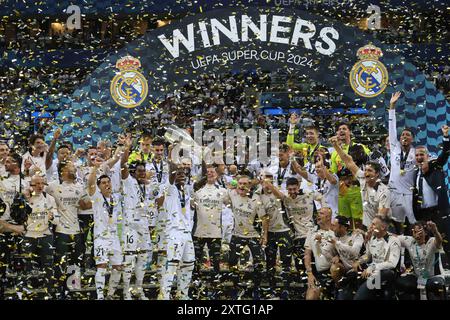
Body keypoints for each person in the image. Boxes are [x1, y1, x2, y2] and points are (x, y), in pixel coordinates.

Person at [120, 135, 159, 300]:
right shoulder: (128, 181)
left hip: (143, 225)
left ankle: (139, 287)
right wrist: (127, 148)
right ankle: (126, 290)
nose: (143, 173)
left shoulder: (148, 187)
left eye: (144, 171)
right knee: (129, 257)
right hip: (130, 225)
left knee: (144, 256)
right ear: (134, 172)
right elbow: (123, 166)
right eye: (140, 171)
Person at [263, 176, 321, 283]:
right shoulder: (287, 199)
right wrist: (267, 183)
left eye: (295, 189)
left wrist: (322, 215)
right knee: (301, 268)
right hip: (297, 237)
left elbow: (322, 197)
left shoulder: (309, 194)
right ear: (287, 189)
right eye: (290, 189)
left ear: (299, 187)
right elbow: (277, 193)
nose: (292, 192)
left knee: (314, 266)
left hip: (311, 235)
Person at [46, 160, 90, 298]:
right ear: (63, 170)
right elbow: (40, 194)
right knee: (62, 262)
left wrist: (96, 196)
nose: (74, 169)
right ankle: (61, 290)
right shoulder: (53, 186)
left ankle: (74, 288)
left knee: (76, 261)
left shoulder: (80, 186)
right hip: (61, 231)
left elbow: (84, 206)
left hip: (76, 230)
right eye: (71, 167)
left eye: (74, 167)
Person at [329, 136, 391, 229]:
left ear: (377, 174)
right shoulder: (362, 178)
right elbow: (348, 161)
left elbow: (382, 215)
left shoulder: (383, 191)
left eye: (370, 171)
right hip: (367, 226)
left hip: (380, 228)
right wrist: (336, 146)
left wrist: (372, 230)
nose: (366, 173)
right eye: (365, 170)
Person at [223, 175, 268, 300]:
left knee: (259, 263)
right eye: (240, 184)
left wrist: (264, 235)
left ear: (250, 186)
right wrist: (232, 185)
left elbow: (264, 218)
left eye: (245, 184)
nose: (242, 186)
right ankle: (235, 288)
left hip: (253, 235)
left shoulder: (255, 199)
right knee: (232, 262)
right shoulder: (232, 194)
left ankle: (256, 289)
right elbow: (225, 193)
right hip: (237, 234)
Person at [156, 160, 195, 300]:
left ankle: (182, 295)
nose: (182, 176)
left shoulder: (186, 191)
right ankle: (164, 296)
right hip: (175, 232)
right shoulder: (169, 188)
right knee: (172, 265)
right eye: (179, 174)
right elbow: (172, 172)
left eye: (183, 174)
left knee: (188, 265)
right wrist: (173, 155)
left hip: (187, 232)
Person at [86, 158, 123, 300]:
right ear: (99, 186)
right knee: (101, 266)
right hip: (101, 237)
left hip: (114, 237)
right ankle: (100, 296)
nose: (107, 184)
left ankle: (110, 294)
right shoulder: (96, 197)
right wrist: (94, 169)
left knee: (118, 268)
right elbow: (90, 184)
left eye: (108, 182)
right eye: (103, 183)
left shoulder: (116, 198)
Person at [413, 124, 450, 257]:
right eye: (416, 155)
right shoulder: (415, 174)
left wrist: (445, 136)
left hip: (438, 213)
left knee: (445, 244)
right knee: (428, 246)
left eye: (421, 154)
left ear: (427, 156)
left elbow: (445, 154)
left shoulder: (435, 167)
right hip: (423, 215)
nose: (419, 157)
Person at [191, 165, 227, 297]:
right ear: (204, 175)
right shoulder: (197, 191)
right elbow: (189, 206)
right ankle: (195, 286)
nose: (211, 174)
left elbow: (231, 203)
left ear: (217, 175)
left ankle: (215, 288)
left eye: (213, 172)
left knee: (215, 262)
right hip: (199, 232)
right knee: (196, 261)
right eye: (208, 172)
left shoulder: (223, 191)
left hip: (215, 233)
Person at [22, 174, 58, 298]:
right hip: (29, 235)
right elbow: (18, 217)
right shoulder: (25, 198)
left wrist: (52, 217)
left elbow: (57, 219)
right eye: (36, 183)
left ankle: (49, 290)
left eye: (42, 183)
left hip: (45, 234)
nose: (40, 186)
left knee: (48, 264)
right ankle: (29, 290)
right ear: (30, 185)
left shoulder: (50, 199)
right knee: (28, 264)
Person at [259, 171, 293, 300]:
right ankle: (272, 290)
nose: (267, 185)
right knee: (270, 261)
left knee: (286, 261)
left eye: (270, 182)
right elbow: (264, 217)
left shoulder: (278, 191)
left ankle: (286, 290)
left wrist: (271, 186)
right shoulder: (259, 196)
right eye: (265, 182)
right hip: (271, 232)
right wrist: (265, 235)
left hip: (284, 230)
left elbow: (282, 198)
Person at [330, 122, 370, 229]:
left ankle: (360, 241)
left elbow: (368, 164)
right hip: (342, 190)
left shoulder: (359, 147)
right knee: (344, 220)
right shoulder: (334, 153)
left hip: (357, 188)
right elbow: (333, 173)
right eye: (339, 129)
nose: (341, 131)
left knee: (358, 219)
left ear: (349, 132)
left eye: (344, 129)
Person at [388, 91, 418, 232]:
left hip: (408, 192)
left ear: (412, 139)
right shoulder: (394, 147)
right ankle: (398, 249)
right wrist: (392, 106)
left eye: (407, 135)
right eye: (402, 135)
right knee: (395, 223)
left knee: (412, 222)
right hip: (393, 191)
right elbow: (392, 128)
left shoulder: (415, 153)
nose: (404, 136)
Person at [352, 215, 401, 300]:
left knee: (360, 296)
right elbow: (368, 256)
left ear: (383, 227)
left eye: (374, 224)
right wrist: (359, 261)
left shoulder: (393, 240)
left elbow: (392, 264)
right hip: (373, 271)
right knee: (353, 274)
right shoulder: (373, 238)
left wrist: (373, 267)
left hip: (386, 272)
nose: (370, 227)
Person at [396, 221, 445, 300]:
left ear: (425, 232)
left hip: (433, 276)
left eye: (420, 231)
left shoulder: (432, 241)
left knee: (429, 284)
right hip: (418, 276)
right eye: (415, 232)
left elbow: (439, 241)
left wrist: (435, 231)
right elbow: (394, 237)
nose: (417, 234)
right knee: (404, 282)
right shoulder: (410, 241)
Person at [304, 207, 337, 300]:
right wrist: (309, 274)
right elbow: (307, 254)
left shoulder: (335, 231)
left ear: (328, 217)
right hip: (320, 273)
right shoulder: (312, 231)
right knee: (310, 297)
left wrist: (338, 256)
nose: (318, 215)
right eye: (318, 213)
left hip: (335, 271)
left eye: (321, 213)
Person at [330, 216, 364, 300]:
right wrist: (337, 256)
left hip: (361, 270)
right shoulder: (336, 238)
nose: (332, 228)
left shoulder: (356, 236)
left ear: (343, 227)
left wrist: (337, 244)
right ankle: (339, 289)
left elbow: (355, 252)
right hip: (347, 273)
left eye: (335, 226)